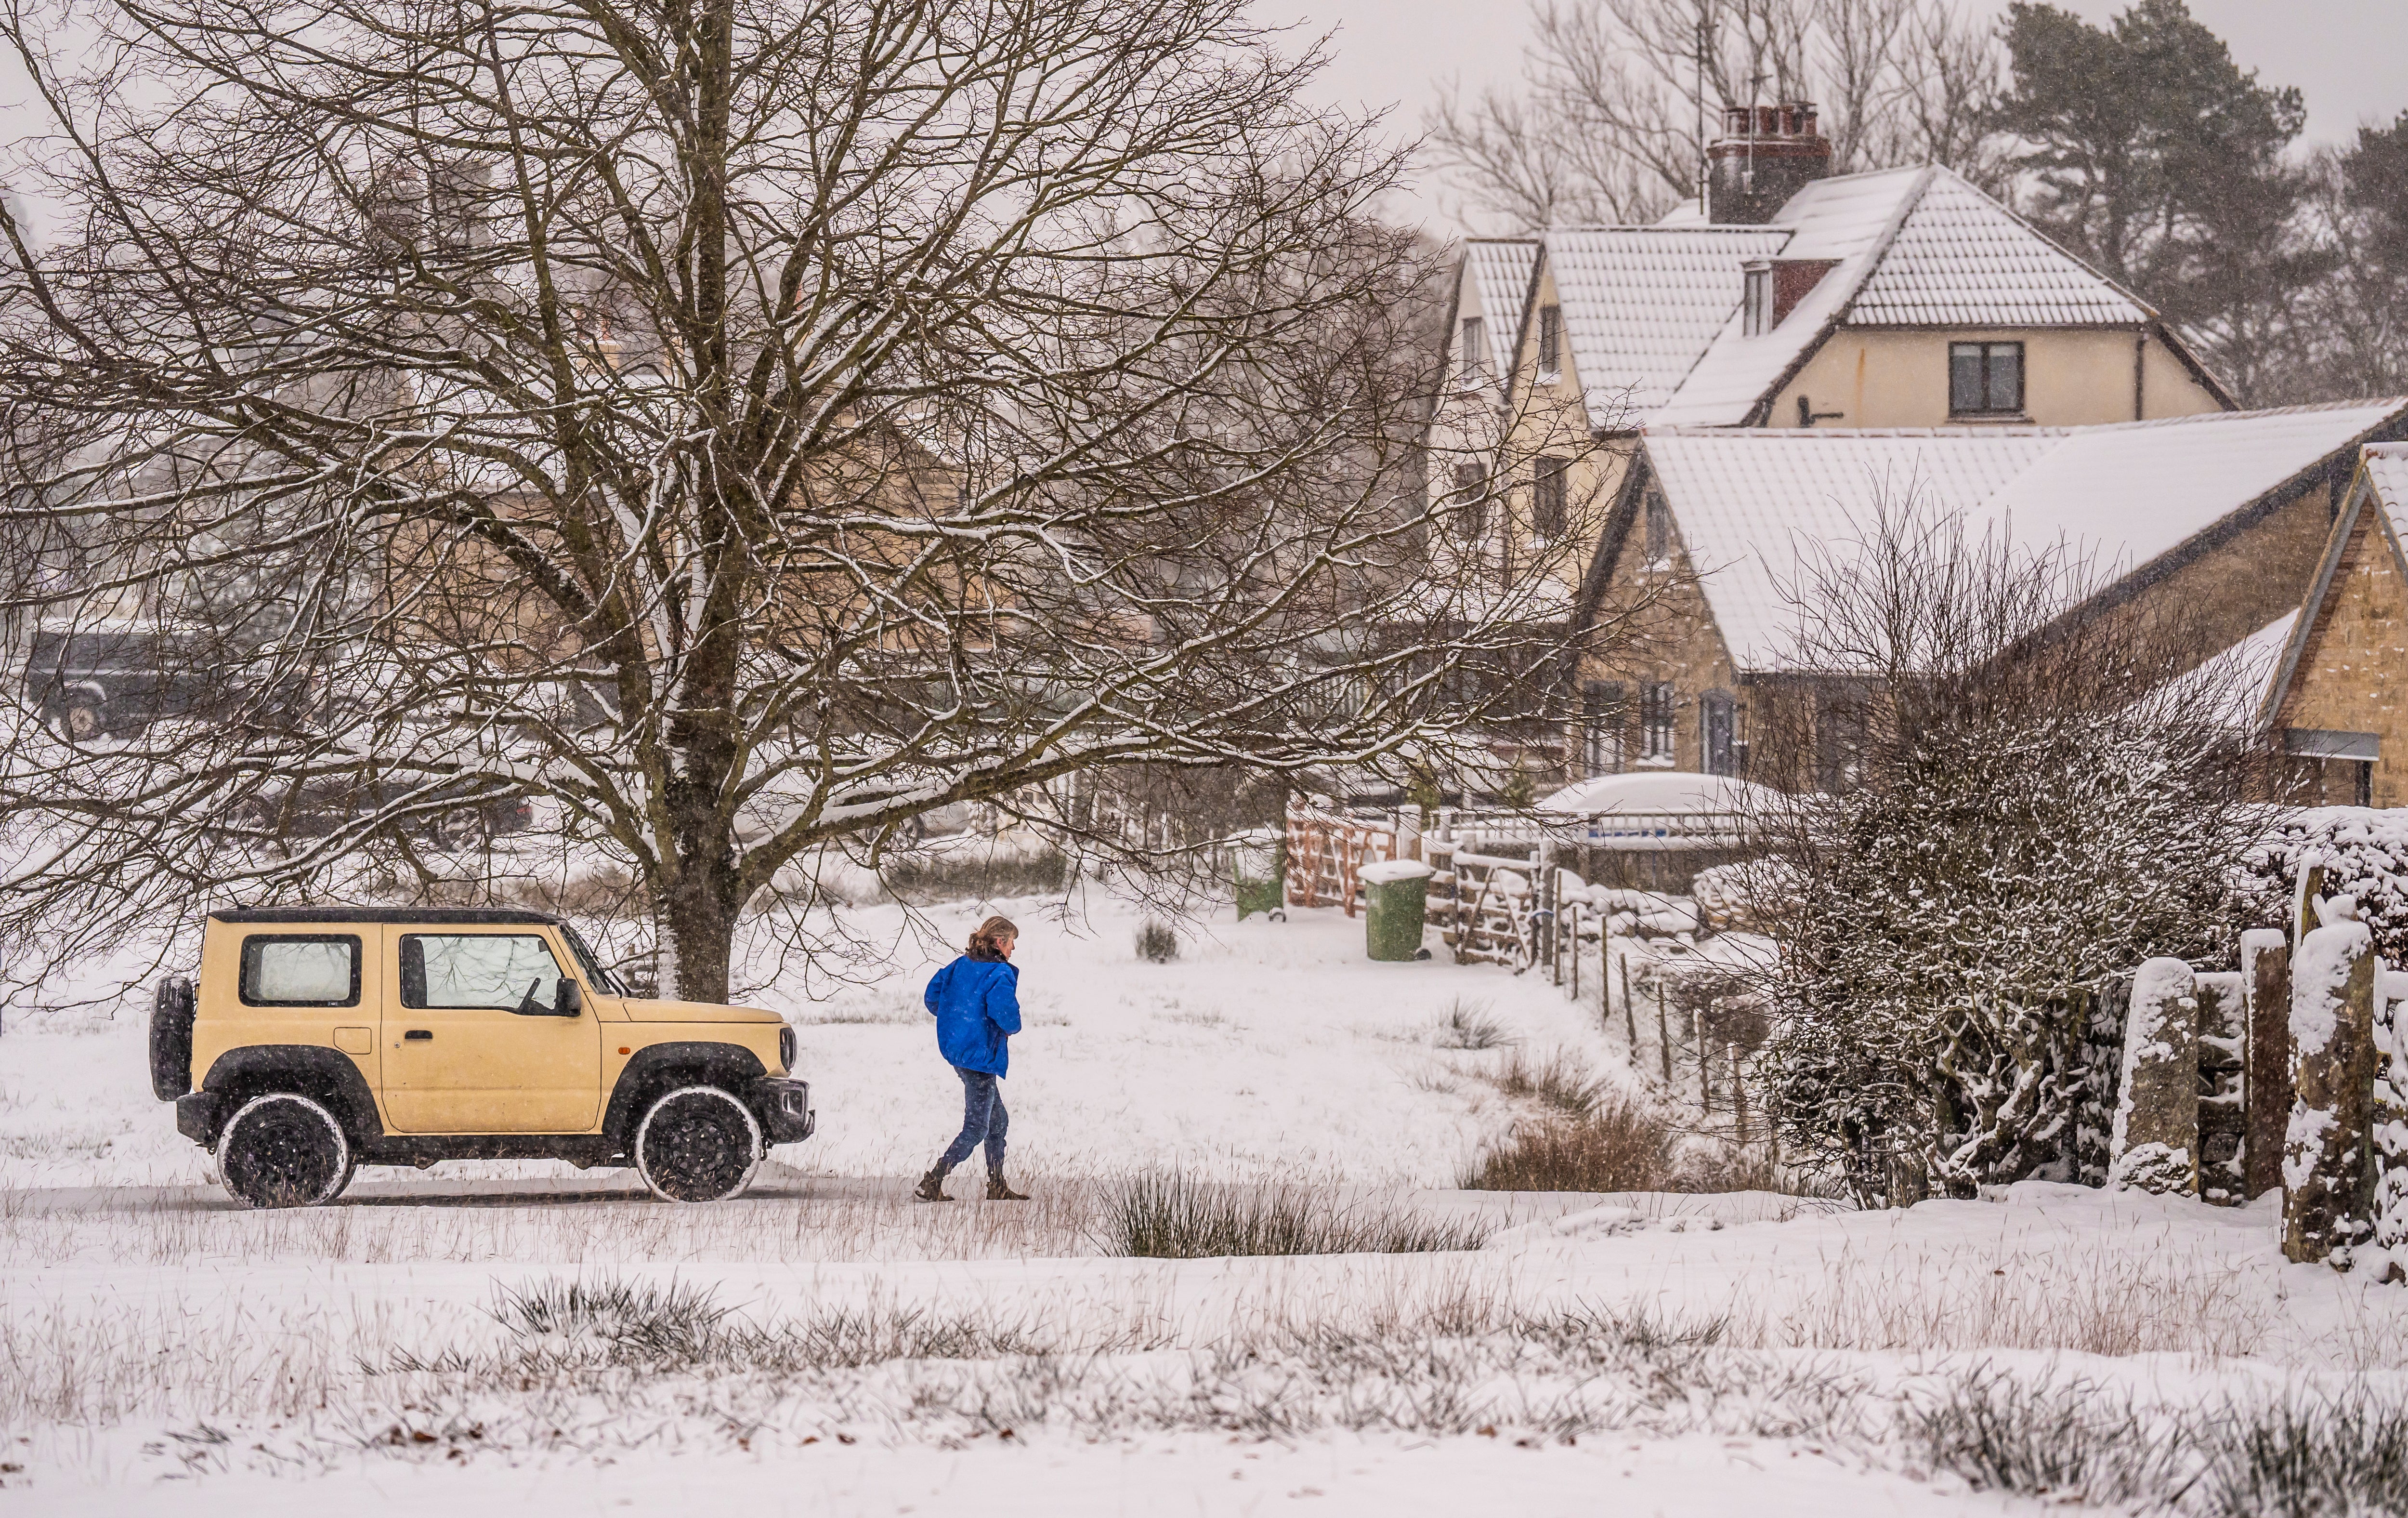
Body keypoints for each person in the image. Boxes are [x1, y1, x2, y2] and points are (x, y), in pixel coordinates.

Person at [915, 914, 1029, 1202]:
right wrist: (1001, 1028)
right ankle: (934, 1180)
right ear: (1000, 942)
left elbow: (932, 997)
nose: (1013, 950)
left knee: (998, 1120)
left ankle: (997, 1185)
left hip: (959, 1053)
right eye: (1012, 943)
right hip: (980, 1057)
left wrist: (959, 1022)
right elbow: (1008, 1018)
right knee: (978, 1127)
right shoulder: (998, 973)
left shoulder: (960, 965)